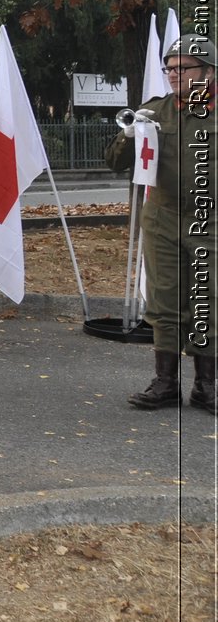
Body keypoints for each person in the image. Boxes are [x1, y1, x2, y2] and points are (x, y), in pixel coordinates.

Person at [105, 33, 216, 414]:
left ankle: (206, 387)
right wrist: (130, 134)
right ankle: (166, 383)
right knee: (164, 300)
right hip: (163, 217)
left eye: (184, 68)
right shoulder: (155, 111)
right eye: (170, 69)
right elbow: (116, 163)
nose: (174, 75)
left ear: (209, 72)